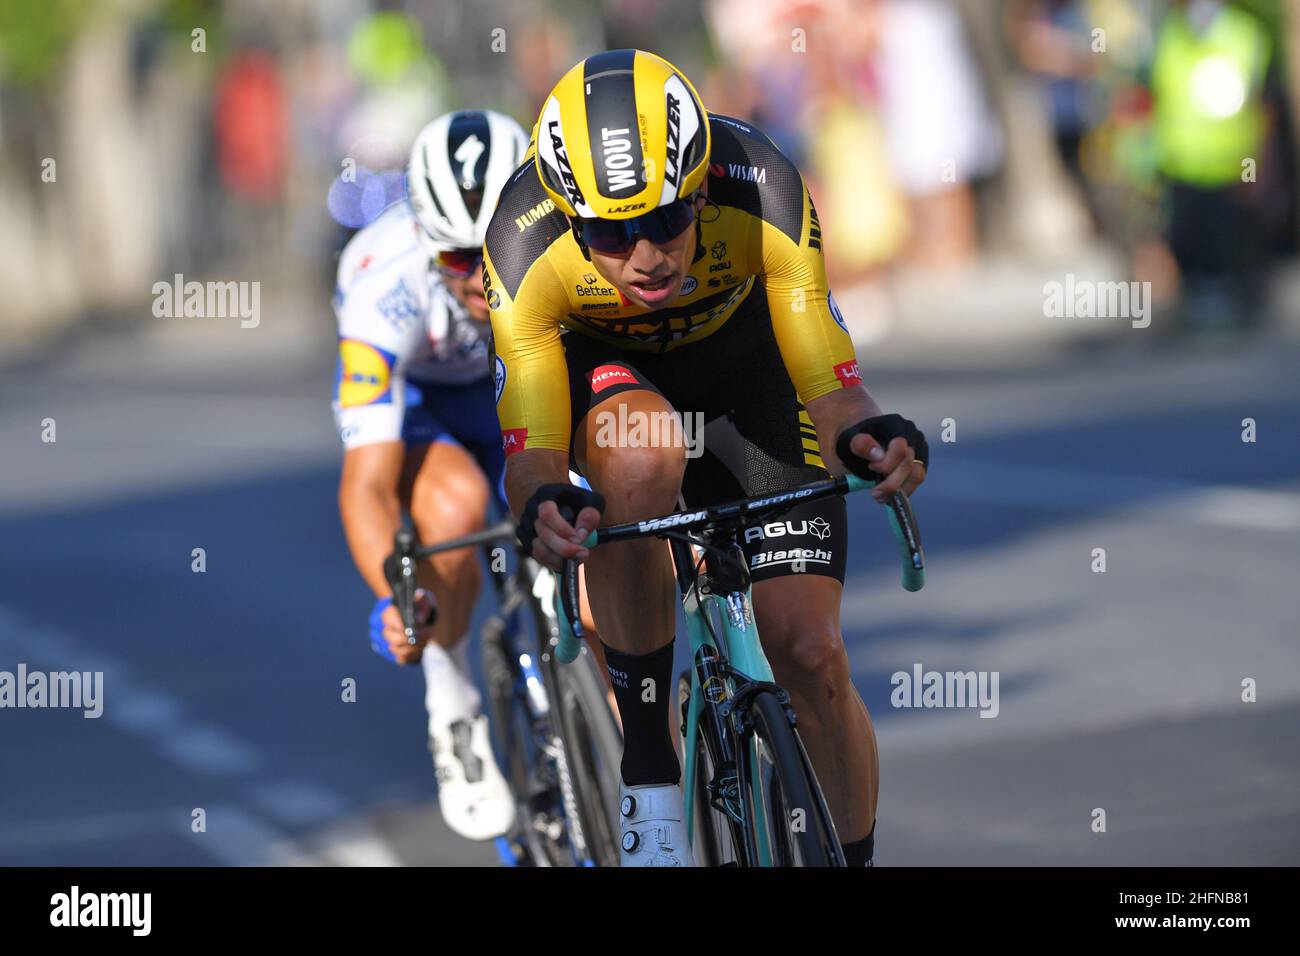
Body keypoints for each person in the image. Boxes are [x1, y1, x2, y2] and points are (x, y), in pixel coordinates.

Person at [485, 50, 928, 866]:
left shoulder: (760, 182)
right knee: (641, 452)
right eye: (612, 234)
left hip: (749, 371)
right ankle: (649, 763)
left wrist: (871, 436)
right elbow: (534, 450)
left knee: (810, 653)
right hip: (612, 378)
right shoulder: (521, 242)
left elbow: (831, 389)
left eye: (666, 221)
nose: (645, 254)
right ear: (569, 217)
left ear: (698, 188)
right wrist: (547, 503)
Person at [332, 109, 527, 841]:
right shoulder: (380, 286)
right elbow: (367, 485)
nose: (479, 277)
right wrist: (398, 595)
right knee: (456, 507)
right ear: (424, 240)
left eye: (493, 251)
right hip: (428, 409)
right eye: (456, 258)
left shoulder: (565, 248)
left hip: (519, 387)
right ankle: (452, 703)